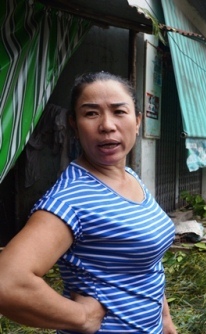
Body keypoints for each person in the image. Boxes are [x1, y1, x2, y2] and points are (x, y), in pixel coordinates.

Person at [0, 72, 177, 334]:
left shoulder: (129, 177)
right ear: (74, 123)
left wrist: (165, 321)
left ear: (137, 121)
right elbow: (7, 283)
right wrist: (81, 316)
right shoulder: (70, 200)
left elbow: (147, 265)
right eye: (91, 113)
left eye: (119, 111)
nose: (107, 125)